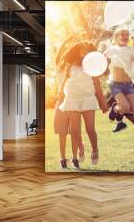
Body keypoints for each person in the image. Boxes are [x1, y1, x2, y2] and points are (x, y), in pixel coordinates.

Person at [57, 41, 108, 168]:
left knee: (90, 129)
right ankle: (81, 147)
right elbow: (65, 81)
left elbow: (97, 86)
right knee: (74, 131)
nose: (85, 52)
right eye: (83, 49)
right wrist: (60, 96)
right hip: (72, 99)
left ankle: (95, 150)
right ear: (77, 51)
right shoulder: (71, 66)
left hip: (87, 99)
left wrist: (103, 102)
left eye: (88, 50)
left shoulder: (92, 68)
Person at [104, 28, 134, 146]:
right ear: (116, 37)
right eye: (122, 34)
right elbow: (102, 60)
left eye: (126, 34)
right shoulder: (112, 49)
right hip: (116, 84)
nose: (124, 36)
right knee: (125, 107)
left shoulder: (131, 50)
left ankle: (115, 108)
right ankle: (117, 110)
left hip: (128, 85)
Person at [54, 36, 78, 169]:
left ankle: (75, 158)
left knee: (74, 132)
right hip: (61, 102)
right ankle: (63, 159)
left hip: (73, 100)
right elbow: (59, 54)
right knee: (62, 134)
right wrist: (67, 40)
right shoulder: (59, 67)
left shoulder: (75, 67)